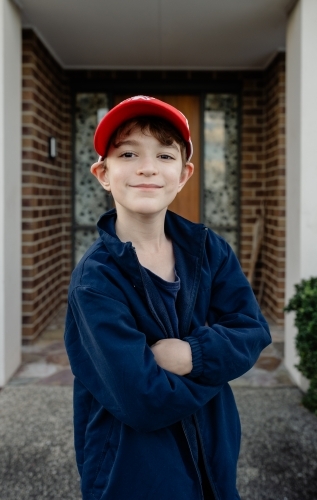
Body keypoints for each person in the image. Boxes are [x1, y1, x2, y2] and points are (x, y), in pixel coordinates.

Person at [64, 95, 271, 500]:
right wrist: (219, 362)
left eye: (164, 155)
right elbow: (144, 400)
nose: (147, 167)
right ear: (103, 173)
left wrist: (192, 355)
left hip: (214, 448)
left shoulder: (209, 250)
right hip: (135, 470)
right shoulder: (95, 281)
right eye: (128, 153)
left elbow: (251, 330)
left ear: (184, 174)